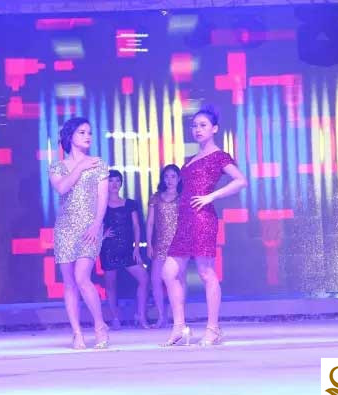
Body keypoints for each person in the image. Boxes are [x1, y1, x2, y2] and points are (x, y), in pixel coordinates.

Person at [162, 107, 247, 347]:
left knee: (205, 273)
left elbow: (241, 181)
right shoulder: (191, 159)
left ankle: (213, 329)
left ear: (214, 129)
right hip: (185, 219)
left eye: (203, 125)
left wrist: (211, 196)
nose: (197, 129)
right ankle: (179, 327)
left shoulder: (219, 156)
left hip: (202, 218)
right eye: (195, 125)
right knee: (168, 272)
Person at [49, 117, 110, 349]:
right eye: (82, 132)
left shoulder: (98, 164)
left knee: (82, 277)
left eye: (89, 132)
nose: (88, 136)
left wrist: (97, 224)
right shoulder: (57, 166)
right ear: (70, 136)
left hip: (90, 228)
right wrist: (79, 167)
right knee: (69, 283)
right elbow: (62, 187)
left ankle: (99, 326)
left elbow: (103, 197)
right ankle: (77, 332)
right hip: (65, 229)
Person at [100, 170, 149, 329]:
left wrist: (136, 248)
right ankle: (115, 317)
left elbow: (136, 226)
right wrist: (102, 236)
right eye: (111, 181)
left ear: (121, 183)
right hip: (109, 249)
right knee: (110, 284)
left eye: (117, 181)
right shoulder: (101, 204)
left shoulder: (130, 204)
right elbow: (93, 225)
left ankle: (140, 315)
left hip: (128, 249)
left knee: (144, 278)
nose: (114, 184)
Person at [145, 164, 183, 329]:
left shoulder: (183, 198)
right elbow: (150, 223)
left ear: (179, 179)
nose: (169, 180)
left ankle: (179, 317)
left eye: (173, 176)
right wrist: (149, 244)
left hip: (178, 245)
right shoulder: (156, 198)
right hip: (159, 244)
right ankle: (161, 316)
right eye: (166, 176)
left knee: (179, 280)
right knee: (155, 280)